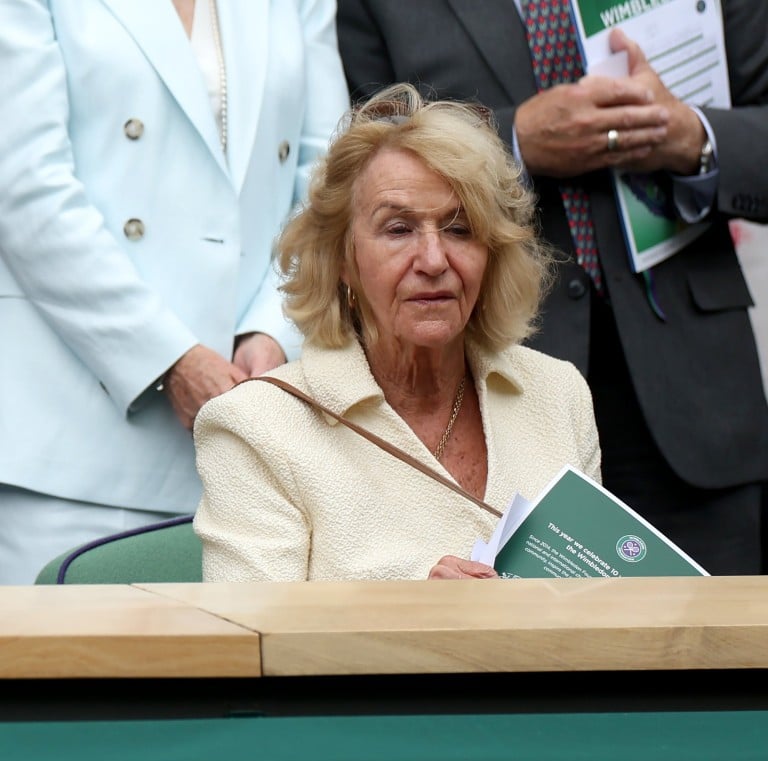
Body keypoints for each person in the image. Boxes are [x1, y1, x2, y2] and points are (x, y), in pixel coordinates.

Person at [336, 0, 768, 575]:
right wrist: (513, 143)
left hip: (695, 395)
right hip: (501, 387)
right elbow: (361, 162)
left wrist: (696, 137)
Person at [0, 0, 350, 584]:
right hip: (77, 447)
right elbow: (25, 186)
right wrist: (169, 358)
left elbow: (329, 179)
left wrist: (274, 330)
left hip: (255, 435)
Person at [193, 82, 601, 582]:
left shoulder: (557, 396)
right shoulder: (258, 427)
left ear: (492, 253)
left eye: (459, 228)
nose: (433, 261)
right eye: (398, 229)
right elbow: (252, 644)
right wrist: (410, 613)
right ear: (342, 259)